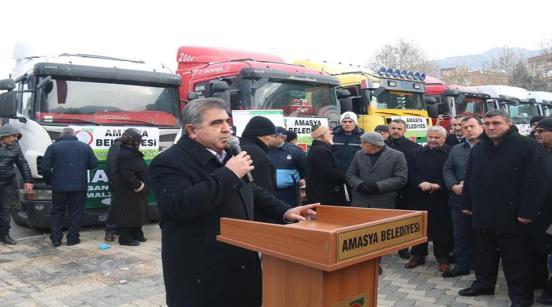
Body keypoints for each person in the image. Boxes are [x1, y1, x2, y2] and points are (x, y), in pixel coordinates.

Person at [148, 98, 317, 307]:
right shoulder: (168, 162)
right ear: (192, 130)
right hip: (201, 274)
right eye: (216, 123)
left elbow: (250, 190)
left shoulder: (230, 155)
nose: (227, 129)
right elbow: (180, 206)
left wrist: (285, 211)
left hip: (240, 263)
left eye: (227, 122)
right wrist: (229, 173)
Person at [459, 110, 547, 307]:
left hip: (513, 216)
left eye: (496, 123)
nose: (491, 127)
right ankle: (484, 284)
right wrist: (467, 203)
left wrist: (527, 212)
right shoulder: (480, 148)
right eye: (487, 123)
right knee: (484, 254)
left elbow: (536, 182)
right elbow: (471, 177)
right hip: (483, 213)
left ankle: (521, 298)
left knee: (516, 260)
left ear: (508, 123)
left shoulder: (528, 146)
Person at [405, 126, 453, 273]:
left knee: (441, 228)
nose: (432, 140)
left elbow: (451, 171)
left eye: (436, 138)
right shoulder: (416, 152)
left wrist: (439, 184)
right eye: (430, 137)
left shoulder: (451, 152)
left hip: (441, 196)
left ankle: (442, 258)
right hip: (419, 195)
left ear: (444, 138)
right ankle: (417, 255)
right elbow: (410, 172)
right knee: (419, 226)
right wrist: (420, 182)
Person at [441, 116, 484, 278]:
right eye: (465, 127)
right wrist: (453, 186)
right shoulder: (456, 149)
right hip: (459, 200)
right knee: (460, 235)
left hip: (482, 201)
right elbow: (448, 169)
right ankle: (462, 265)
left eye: (472, 126)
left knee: (481, 237)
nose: (469, 130)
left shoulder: (489, 147)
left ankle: (480, 267)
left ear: (481, 127)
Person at [41, 127, 98, 247]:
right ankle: (73, 238)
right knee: (76, 212)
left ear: (61, 135)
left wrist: (49, 181)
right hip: (79, 186)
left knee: (57, 212)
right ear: (74, 135)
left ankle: (56, 239)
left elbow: (45, 167)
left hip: (59, 186)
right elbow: (93, 164)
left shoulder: (53, 147)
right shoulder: (84, 147)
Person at [385, 118, 421, 259]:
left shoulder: (413, 147)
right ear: (389, 129)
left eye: (399, 129)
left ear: (405, 130)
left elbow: (415, 169)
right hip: (385, 188)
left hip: (405, 189)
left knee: (403, 220)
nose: (396, 131)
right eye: (393, 128)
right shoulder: (382, 145)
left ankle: (403, 247)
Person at [346, 132, 407, 209]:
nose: (361, 145)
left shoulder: (397, 155)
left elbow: (401, 179)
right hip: (360, 202)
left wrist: (378, 186)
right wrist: (359, 185)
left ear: (374, 144)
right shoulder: (359, 154)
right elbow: (350, 174)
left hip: (383, 203)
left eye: (364, 143)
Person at [111, 129, 150, 246]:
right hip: (128, 190)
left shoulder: (130, 151)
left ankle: (137, 233)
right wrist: (139, 186)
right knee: (127, 213)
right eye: (138, 141)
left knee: (138, 212)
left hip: (134, 189)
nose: (140, 143)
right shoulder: (125, 153)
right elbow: (126, 173)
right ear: (133, 141)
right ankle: (125, 238)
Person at [0, 124, 33, 245]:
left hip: (7, 183)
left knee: (5, 210)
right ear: (4, 136)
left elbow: (22, 163)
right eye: (13, 136)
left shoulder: (15, 146)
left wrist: (28, 180)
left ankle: (5, 235)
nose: (15, 138)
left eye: (17, 136)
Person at [532, 118, 552, 304]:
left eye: (542, 131)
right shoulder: (539, 153)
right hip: (540, 212)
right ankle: (539, 281)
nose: (536, 134)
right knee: (539, 249)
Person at [306, 124, 348, 205]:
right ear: (322, 136)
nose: (332, 136)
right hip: (326, 196)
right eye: (329, 133)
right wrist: (346, 176)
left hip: (322, 194)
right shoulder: (321, 151)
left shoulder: (319, 149)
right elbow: (329, 173)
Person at [240, 116, 281, 193]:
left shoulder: (237, 147)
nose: (273, 140)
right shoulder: (259, 156)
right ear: (260, 134)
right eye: (271, 136)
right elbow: (265, 190)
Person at [268, 127, 306, 207]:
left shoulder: (295, 151)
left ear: (282, 137)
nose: (270, 139)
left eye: (273, 136)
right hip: (269, 191)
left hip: (290, 192)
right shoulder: (265, 150)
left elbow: (304, 170)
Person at [104, 137, 122, 242]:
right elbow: (112, 166)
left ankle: (118, 229)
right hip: (118, 183)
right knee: (115, 206)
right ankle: (110, 230)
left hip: (125, 183)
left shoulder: (124, 147)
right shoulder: (117, 147)